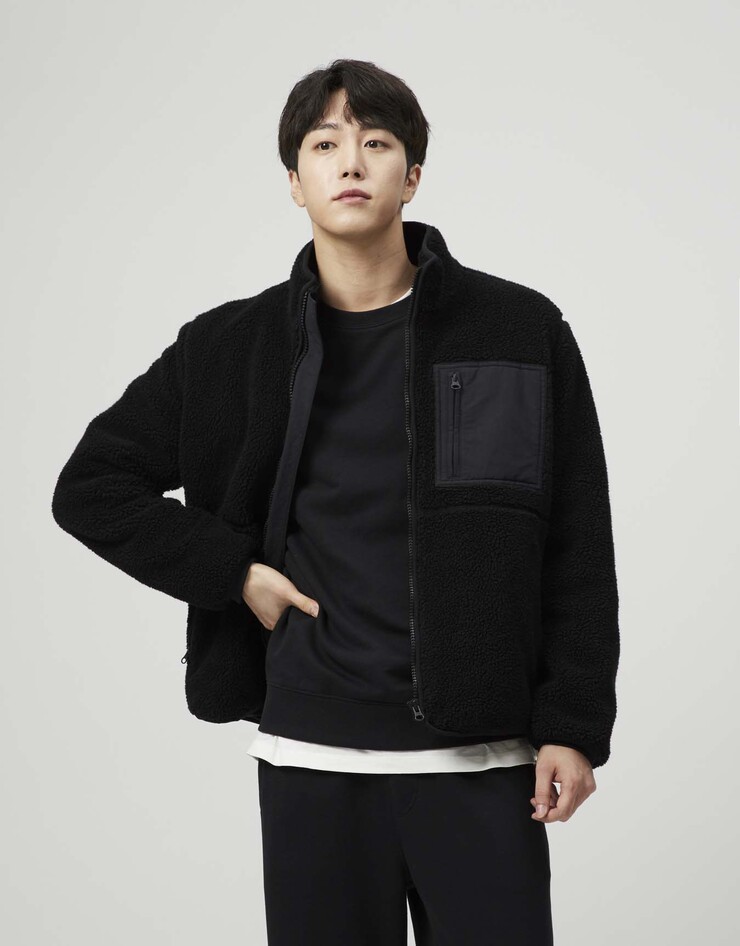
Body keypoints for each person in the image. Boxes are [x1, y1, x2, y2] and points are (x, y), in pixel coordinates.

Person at [52, 58, 620, 946]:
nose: (351, 161)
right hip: (310, 758)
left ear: (412, 176)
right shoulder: (230, 347)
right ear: (294, 181)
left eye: (376, 142)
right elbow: (90, 486)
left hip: (481, 762)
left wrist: (574, 726)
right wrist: (234, 573)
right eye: (325, 145)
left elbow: (579, 543)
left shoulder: (518, 330)